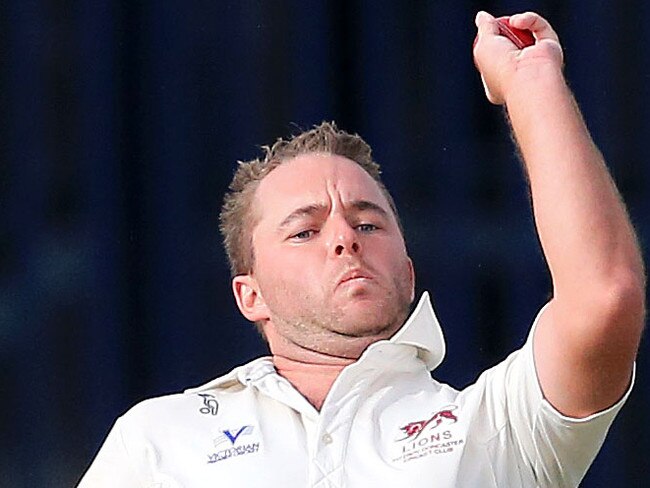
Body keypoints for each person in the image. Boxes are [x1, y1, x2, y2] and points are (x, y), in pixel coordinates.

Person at [78, 11, 645, 487]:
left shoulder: (495, 426)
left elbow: (603, 299)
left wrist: (531, 82)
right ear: (249, 295)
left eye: (369, 224)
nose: (345, 238)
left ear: (408, 267)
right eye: (305, 231)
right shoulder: (157, 438)